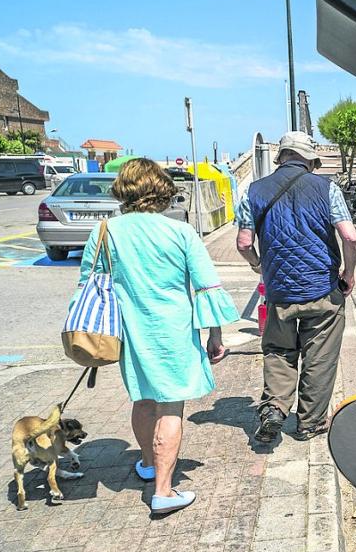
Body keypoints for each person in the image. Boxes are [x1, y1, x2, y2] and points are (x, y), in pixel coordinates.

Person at [76, 158, 240, 515]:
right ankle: (164, 491)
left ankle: (150, 465)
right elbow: (207, 287)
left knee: (144, 399)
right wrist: (215, 335)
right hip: (174, 334)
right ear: (162, 190)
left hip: (131, 334)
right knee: (170, 406)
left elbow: (87, 287)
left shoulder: (105, 231)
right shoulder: (180, 233)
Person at [236, 132, 356, 444]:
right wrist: (349, 273)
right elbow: (350, 236)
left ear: (282, 157)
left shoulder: (253, 191)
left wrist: (259, 266)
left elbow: (244, 242)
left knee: (278, 351)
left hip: (279, 292)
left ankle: (276, 407)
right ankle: (311, 423)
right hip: (323, 287)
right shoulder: (327, 187)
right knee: (320, 355)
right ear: (310, 159)